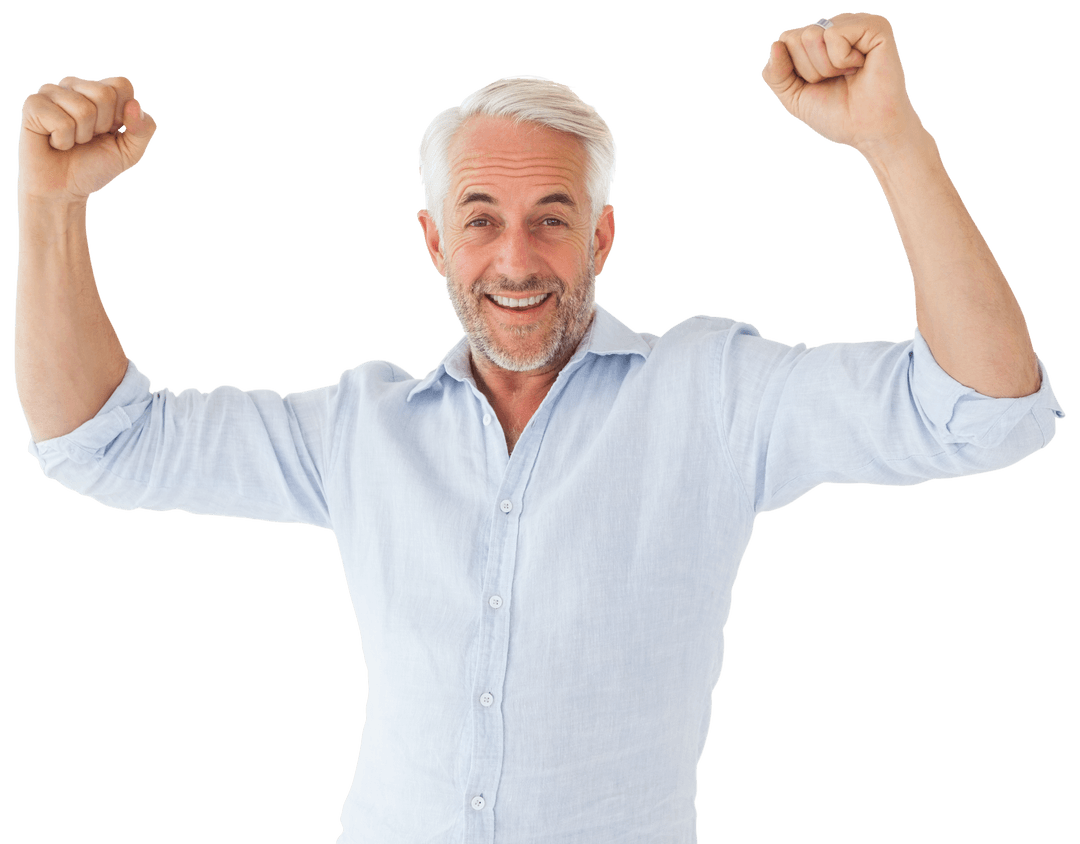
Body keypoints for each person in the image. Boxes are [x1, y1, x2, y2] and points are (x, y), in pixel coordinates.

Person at [13, 11, 1064, 844]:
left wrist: (890, 138)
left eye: (551, 218)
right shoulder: (361, 428)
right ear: (433, 240)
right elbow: (98, 440)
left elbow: (984, 410)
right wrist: (52, 206)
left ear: (601, 234)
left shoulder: (712, 391)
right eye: (480, 218)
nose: (515, 260)